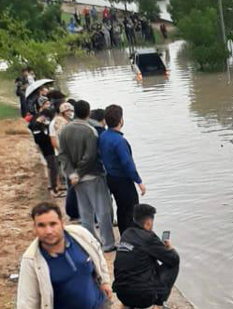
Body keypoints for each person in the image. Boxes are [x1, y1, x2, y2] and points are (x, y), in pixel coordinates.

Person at [58, 100, 116, 252]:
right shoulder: (90, 131)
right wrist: (79, 172)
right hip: (93, 175)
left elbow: (63, 155)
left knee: (85, 213)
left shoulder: (65, 130)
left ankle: (91, 242)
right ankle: (108, 244)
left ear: (74, 111)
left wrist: (71, 174)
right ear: (88, 113)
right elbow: (90, 157)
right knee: (102, 211)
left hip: (75, 180)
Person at [113, 204, 180, 309]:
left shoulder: (126, 234)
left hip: (122, 295)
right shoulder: (149, 238)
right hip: (144, 298)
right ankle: (158, 308)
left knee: (136, 263)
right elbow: (173, 259)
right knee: (173, 264)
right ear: (148, 223)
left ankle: (126, 306)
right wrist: (170, 248)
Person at [99, 105, 146, 234]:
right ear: (121, 121)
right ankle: (132, 239)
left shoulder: (103, 136)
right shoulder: (120, 141)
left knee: (121, 208)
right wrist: (139, 182)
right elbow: (127, 163)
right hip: (122, 180)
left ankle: (123, 235)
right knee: (132, 210)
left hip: (110, 177)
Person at [29, 109, 62, 198]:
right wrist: (48, 138)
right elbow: (38, 140)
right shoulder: (36, 125)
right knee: (53, 168)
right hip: (47, 150)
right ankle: (53, 189)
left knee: (54, 168)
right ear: (43, 116)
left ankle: (54, 187)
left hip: (49, 149)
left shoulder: (43, 124)